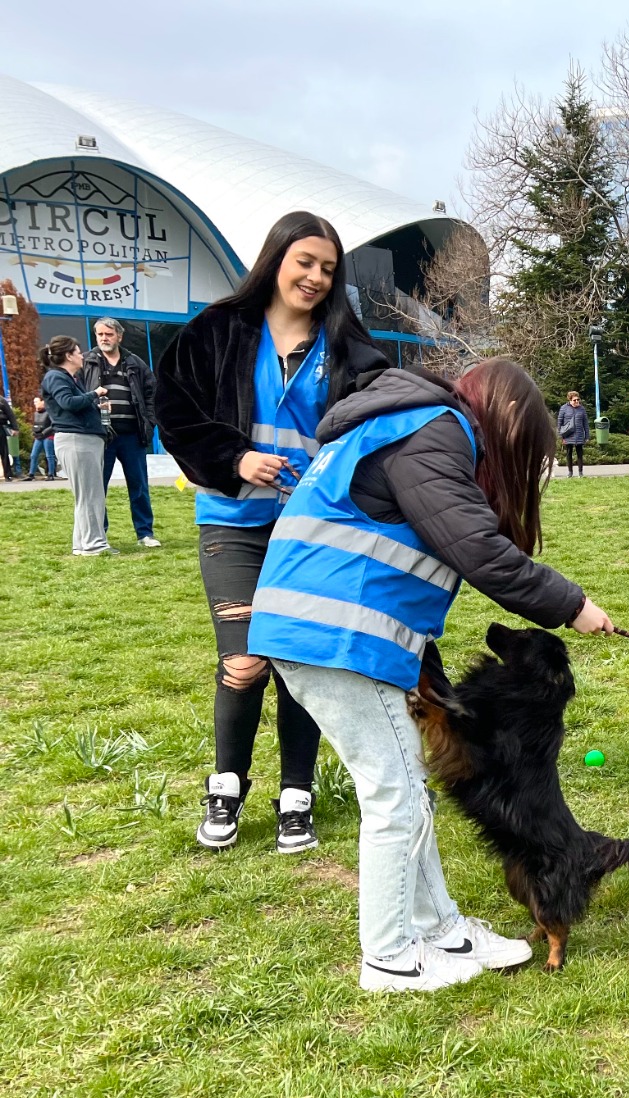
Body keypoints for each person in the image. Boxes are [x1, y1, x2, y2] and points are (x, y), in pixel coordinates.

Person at [248, 358, 614, 992]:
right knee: (395, 798)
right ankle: (389, 955)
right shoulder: (436, 431)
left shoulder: (408, 425)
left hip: (343, 632)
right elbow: (478, 551)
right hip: (332, 634)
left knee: (406, 789)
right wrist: (573, 607)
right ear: (503, 422)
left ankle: (441, 929)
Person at [154, 210, 389, 855]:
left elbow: (384, 409)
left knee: (297, 663)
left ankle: (296, 796)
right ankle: (226, 785)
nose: (314, 278)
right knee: (245, 661)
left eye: (327, 270)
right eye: (304, 262)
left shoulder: (346, 342)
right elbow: (174, 410)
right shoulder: (221, 329)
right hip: (231, 522)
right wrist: (235, 458)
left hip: (312, 529)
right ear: (276, 259)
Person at [83, 318, 161, 547]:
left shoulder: (135, 362)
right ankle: (100, 535)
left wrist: (150, 421)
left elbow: (152, 393)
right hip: (100, 436)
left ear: (119, 336)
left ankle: (145, 533)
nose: (104, 338)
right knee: (98, 487)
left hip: (132, 435)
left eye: (108, 334)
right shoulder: (88, 361)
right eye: (100, 335)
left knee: (139, 486)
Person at [40, 335, 114, 555]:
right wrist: (94, 393)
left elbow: (76, 404)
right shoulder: (56, 377)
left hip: (84, 439)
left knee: (87, 495)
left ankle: (82, 544)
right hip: (76, 440)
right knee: (90, 495)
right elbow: (68, 403)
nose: (82, 355)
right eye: (78, 351)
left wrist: (99, 408)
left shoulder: (70, 378)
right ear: (68, 355)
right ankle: (95, 545)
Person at [557, 391, 589, 477]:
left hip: (579, 434)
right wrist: (561, 436)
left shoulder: (582, 409)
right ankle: (570, 472)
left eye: (578, 399)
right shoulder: (564, 408)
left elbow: (585, 423)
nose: (577, 401)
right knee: (569, 453)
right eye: (575, 400)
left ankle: (580, 473)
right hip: (568, 434)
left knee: (580, 454)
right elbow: (560, 422)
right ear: (570, 400)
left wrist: (587, 436)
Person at [26, 395, 57, 480]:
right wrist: (35, 431)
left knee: (49, 455)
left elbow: (53, 424)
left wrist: (44, 432)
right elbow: (36, 424)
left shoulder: (49, 411)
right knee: (33, 455)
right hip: (38, 436)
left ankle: (51, 474)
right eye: (34, 402)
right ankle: (31, 474)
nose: (35, 404)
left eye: (36, 402)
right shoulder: (36, 413)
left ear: (42, 402)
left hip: (48, 436)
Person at [1, 399, 16, 480]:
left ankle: (8, 475)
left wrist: (15, 428)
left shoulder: (1, 401)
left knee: (4, 452)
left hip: (0, 428)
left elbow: (10, 415)